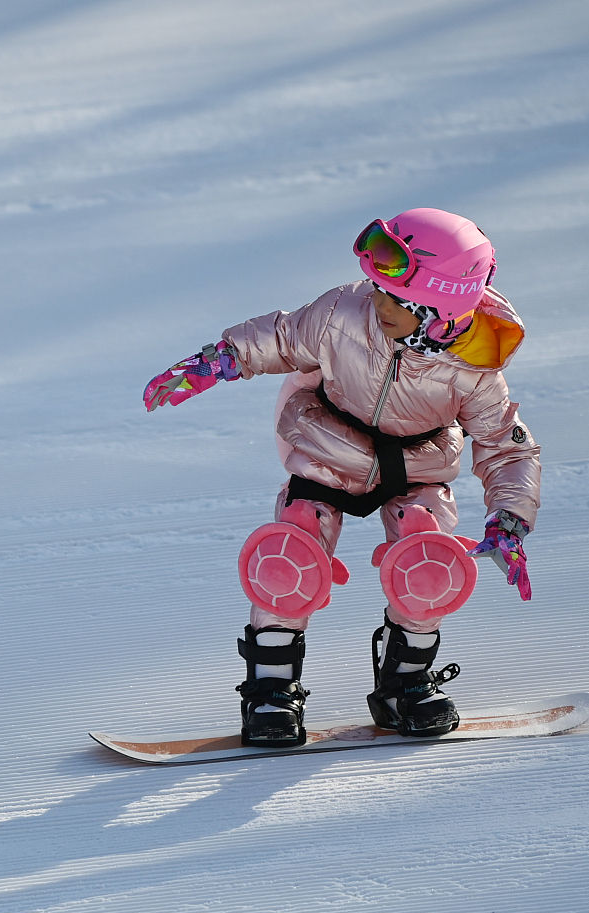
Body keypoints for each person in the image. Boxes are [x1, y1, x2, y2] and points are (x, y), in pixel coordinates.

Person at [143, 208, 541, 747]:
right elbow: (281, 337)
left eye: (392, 300)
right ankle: (271, 689)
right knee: (290, 558)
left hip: (415, 466)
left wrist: (510, 518)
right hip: (329, 444)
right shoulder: (343, 313)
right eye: (376, 290)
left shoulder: (476, 369)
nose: (375, 303)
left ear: (438, 313)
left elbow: (504, 446)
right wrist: (219, 359)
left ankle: (406, 682)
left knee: (428, 568)